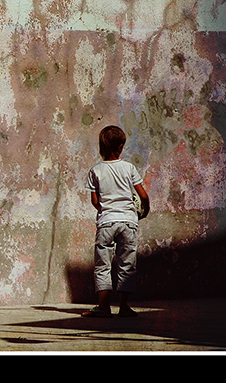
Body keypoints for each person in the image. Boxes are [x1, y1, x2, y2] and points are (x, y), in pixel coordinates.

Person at [82, 125, 149, 318]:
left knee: (103, 265)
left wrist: (106, 210)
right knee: (127, 264)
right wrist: (144, 211)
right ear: (121, 146)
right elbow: (143, 195)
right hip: (128, 221)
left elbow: (95, 201)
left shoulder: (96, 171)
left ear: (101, 146)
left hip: (106, 222)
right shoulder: (129, 168)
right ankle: (124, 307)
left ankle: (103, 307)